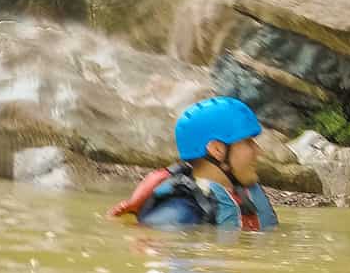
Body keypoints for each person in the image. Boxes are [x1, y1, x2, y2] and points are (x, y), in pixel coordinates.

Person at [109, 97, 278, 230]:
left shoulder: (243, 195)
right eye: (248, 142)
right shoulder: (179, 214)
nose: (259, 152)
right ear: (217, 150)